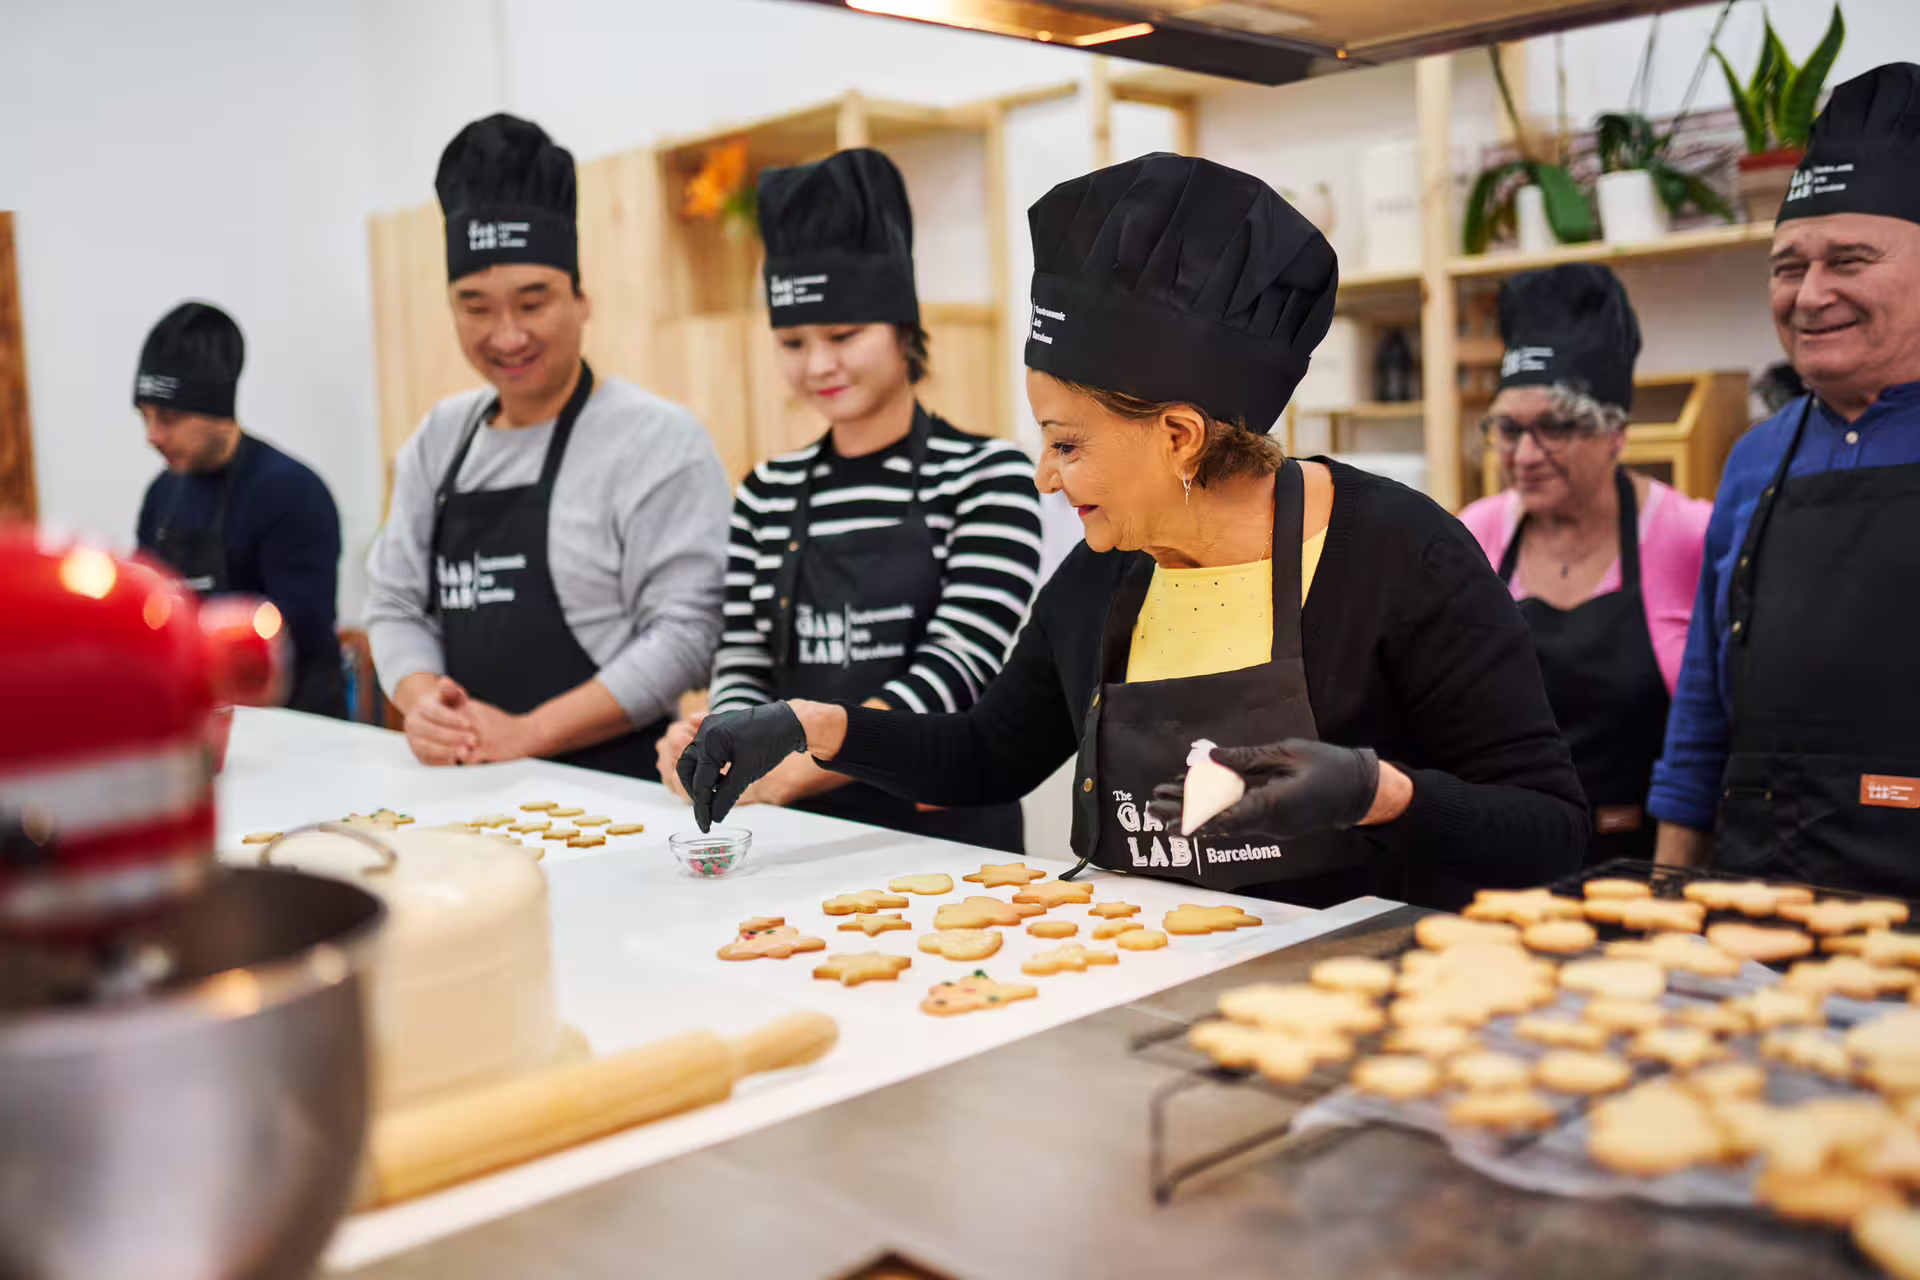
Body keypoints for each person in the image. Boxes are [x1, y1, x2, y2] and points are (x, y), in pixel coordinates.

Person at [675, 153, 1587, 910]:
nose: (1046, 474)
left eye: (1068, 443)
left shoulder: (1401, 555)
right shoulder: (1102, 578)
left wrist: (1376, 790)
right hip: (1142, 994)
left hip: (1351, 1016)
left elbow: (1547, 828)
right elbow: (990, 752)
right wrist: (808, 723)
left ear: (1180, 437)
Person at [654, 149, 1041, 851]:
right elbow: (743, 657)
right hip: (796, 843)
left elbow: (957, 666)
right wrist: (722, 739)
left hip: (949, 844)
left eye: (844, 335)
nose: (819, 365)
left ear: (902, 327)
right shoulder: (767, 492)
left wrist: (799, 756)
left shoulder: (988, 475)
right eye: (793, 341)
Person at [365, 114, 730, 778]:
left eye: (532, 303)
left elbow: (688, 637)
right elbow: (393, 603)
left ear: (581, 297)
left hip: (619, 794)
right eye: (475, 307)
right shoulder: (440, 440)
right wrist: (427, 706)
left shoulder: (655, 440)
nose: (506, 336)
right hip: (465, 787)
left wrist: (530, 732)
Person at [1651, 63, 1920, 895]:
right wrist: (1666, 889)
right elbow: (1701, 706)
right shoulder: (1757, 458)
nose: (1810, 295)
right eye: (1787, 265)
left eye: (1849, 260)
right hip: (1759, 885)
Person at [1459, 265, 1711, 864]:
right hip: (1508, 858)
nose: (1525, 455)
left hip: (1651, 863)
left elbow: (1718, 729)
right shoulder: (1477, 533)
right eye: (1509, 430)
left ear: (1615, 434)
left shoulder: (1689, 535)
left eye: (1555, 428)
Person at [134, 301, 347, 719]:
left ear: (218, 411)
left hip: (297, 731)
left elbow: (294, 633)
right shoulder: (161, 496)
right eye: (144, 417)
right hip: (205, 723)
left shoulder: (291, 492)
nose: (152, 436)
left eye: (169, 417)